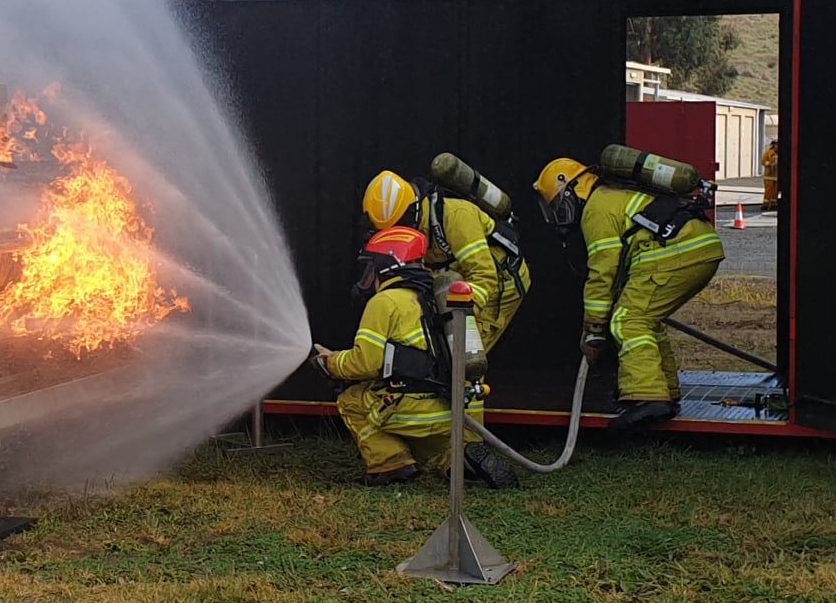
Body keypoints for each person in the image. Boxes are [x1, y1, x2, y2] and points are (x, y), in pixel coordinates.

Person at [310, 226, 518, 488]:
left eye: (371, 268)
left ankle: (390, 464)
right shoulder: (443, 296)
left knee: (352, 399)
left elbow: (365, 364)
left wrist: (330, 363)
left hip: (417, 411)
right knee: (438, 446)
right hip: (460, 410)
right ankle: (457, 459)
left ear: (386, 266)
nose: (368, 277)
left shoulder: (385, 302)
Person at [532, 156, 726, 430]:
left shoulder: (596, 209)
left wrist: (594, 328)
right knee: (646, 321)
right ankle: (665, 392)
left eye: (557, 206)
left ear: (571, 191)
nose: (559, 214)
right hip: (701, 247)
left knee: (627, 321)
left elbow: (602, 272)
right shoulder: (613, 195)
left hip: (676, 253)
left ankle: (648, 397)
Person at [360, 170, 530, 352]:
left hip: (501, 281)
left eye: (399, 227)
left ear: (412, 211)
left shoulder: (457, 217)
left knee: (464, 351)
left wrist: (459, 319)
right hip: (457, 274)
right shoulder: (416, 222)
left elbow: (484, 275)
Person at [761, 138, 781, 212]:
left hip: (777, 177)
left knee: (775, 192)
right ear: (773, 145)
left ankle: (774, 204)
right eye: (776, 145)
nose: (777, 146)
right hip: (769, 176)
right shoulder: (768, 153)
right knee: (768, 192)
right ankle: (765, 205)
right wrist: (770, 164)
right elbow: (763, 161)